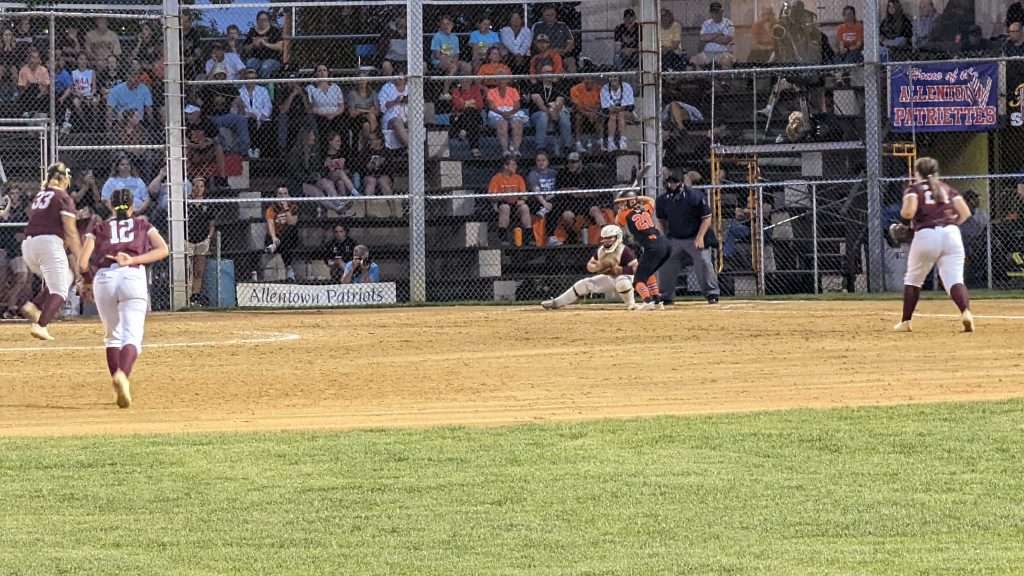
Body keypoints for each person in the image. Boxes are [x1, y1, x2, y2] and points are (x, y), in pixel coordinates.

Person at [79, 188, 168, 408]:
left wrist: (88, 281)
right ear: (132, 206)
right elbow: (163, 249)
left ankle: (117, 381)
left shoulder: (99, 227)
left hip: (104, 278)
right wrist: (134, 260)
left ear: (110, 205)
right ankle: (123, 376)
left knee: (112, 337)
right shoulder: (142, 224)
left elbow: (82, 263)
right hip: (132, 276)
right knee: (132, 336)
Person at [892, 157, 974, 333]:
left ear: (917, 173)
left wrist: (906, 224)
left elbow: (908, 212)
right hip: (952, 234)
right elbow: (965, 213)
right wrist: (949, 226)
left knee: (913, 279)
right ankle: (965, 312)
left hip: (926, 234)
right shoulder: (946, 188)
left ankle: (906, 322)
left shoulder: (914, 189)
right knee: (955, 279)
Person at [19, 162, 83, 341]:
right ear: (63, 178)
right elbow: (70, 232)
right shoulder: (63, 197)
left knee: (66, 277)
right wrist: (80, 258)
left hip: (28, 246)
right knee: (61, 290)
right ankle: (41, 325)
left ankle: (34, 305)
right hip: (48, 244)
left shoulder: (40, 195)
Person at [656, 172, 719, 305]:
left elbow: (706, 218)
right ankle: (665, 295)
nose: (672, 185)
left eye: (675, 182)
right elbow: (661, 220)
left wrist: (700, 237)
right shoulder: (662, 199)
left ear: (682, 182)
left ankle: (711, 293)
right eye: (670, 182)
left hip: (694, 235)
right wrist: (664, 237)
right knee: (666, 261)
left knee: (703, 260)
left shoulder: (694, 196)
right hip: (675, 237)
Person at [541, 225, 638, 310]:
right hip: (610, 278)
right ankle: (556, 303)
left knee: (622, 282)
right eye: (605, 238)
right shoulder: (601, 250)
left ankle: (631, 304)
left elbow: (635, 268)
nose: (607, 240)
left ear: (618, 237)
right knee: (584, 284)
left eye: (610, 238)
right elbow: (590, 265)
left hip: (626, 278)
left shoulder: (624, 250)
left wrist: (620, 270)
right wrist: (595, 267)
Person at [614, 189, 669, 310]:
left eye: (624, 202)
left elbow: (617, 222)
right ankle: (657, 301)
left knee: (638, 279)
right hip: (664, 244)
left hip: (652, 247)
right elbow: (651, 200)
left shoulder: (625, 214)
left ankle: (647, 301)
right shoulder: (645, 208)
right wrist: (638, 199)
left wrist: (621, 210)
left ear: (630, 202)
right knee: (648, 273)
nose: (621, 205)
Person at [184, 176, 215, 306]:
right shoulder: (187, 202)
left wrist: (209, 236)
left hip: (202, 239)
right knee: (187, 269)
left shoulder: (207, 203)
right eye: (196, 186)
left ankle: (195, 297)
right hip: (188, 239)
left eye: (201, 186)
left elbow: (211, 223)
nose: (198, 189)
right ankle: (186, 295)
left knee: (198, 271)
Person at [529, 64, 571, 157]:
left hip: (555, 112)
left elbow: (559, 102)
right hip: (538, 114)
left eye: (551, 72)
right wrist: (551, 111)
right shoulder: (536, 86)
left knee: (564, 116)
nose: (550, 74)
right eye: (547, 72)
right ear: (541, 74)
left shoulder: (558, 86)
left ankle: (568, 147)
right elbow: (540, 105)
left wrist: (554, 110)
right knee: (543, 116)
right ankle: (540, 148)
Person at [488, 157, 531, 246]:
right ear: (505, 166)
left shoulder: (519, 178)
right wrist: (503, 197)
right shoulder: (497, 178)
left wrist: (522, 200)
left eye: (516, 164)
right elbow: (491, 196)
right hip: (502, 203)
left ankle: (528, 238)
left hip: (516, 204)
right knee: (505, 207)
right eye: (513, 165)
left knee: (525, 208)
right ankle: (503, 238)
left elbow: (524, 194)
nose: (516, 167)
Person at [264, 186, 299, 283]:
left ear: (289, 195)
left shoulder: (293, 207)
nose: (283, 196)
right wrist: (274, 237)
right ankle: (289, 269)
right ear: (276, 196)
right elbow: (270, 224)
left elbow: (292, 222)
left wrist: (286, 208)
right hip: (274, 237)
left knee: (289, 229)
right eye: (280, 194)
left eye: (285, 194)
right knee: (283, 243)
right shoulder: (271, 208)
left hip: (289, 238)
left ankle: (274, 246)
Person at [306, 63, 346, 146]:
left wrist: (333, 114)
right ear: (316, 74)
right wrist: (324, 114)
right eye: (319, 71)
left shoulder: (335, 87)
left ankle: (343, 154)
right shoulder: (310, 88)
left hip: (335, 115)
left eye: (324, 70)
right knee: (323, 129)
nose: (322, 72)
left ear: (328, 73)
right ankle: (325, 155)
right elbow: (310, 107)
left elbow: (341, 107)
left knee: (343, 128)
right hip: (319, 116)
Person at [487, 79, 528, 158]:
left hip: (512, 111)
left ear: (507, 81)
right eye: (499, 80)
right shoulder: (491, 91)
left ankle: (516, 150)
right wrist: (502, 113)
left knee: (517, 123)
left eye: (503, 79)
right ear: (496, 81)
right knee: (502, 123)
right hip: (497, 112)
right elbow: (491, 106)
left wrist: (509, 113)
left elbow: (517, 106)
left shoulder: (513, 90)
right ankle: (505, 150)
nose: (501, 81)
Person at [238, 66, 273, 157]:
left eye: (253, 78)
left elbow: (268, 106)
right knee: (251, 122)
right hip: (246, 118)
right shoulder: (240, 92)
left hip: (262, 118)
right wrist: (252, 115)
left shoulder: (263, 90)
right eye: (249, 78)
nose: (251, 80)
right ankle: (252, 149)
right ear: (244, 79)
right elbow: (240, 108)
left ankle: (257, 150)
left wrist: (258, 116)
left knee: (265, 125)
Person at [531, 4, 576, 73]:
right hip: (544, 55)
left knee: (571, 62)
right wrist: (551, 51)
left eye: (552, 15)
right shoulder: (538, 26)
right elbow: (535, 44)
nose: (550, 17)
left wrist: (564, 51)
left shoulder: (562, 25)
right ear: (543, 15)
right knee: (546, 64)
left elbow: (571, 42)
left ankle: (570, 82)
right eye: (547, 15)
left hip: (562, 54)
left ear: (556, 14)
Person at [691, 2, 735, 69]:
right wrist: (718, 34)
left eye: (717, 12)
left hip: (723, 53)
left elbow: (726, 40)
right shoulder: (706, 23)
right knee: (694, 60)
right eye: (713, 12)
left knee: (726, 60)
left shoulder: (728, 23)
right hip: (707, 53)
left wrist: (709, 39)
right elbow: (702, 38)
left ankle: (724, 79)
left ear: (722, 11)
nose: (715, 14)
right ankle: (701, 79)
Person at [243, 11, 284, 79]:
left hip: (273, 59)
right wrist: (253, 44)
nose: (262, 22)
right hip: (256, 58)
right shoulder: (252, 31)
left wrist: (266, 44)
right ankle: (253, 86)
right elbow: (245, 48)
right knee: (250, 64)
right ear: (257, 21)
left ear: (268, 20)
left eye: (265, 19)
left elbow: (280, 47)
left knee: (265, 67)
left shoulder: (274, 30)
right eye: (260, 20)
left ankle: (263, 87)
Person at [451, 79, 485, 158]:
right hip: (460, 118)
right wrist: (472, 102)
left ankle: (464, 130)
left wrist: (465, 103)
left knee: (471, 113)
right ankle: (475, 148)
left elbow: (480, 105)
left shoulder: (475, 90)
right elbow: (457, 105)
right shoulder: (456, 91)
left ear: (470, 82)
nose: (465, 83)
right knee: (471, 118)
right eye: (462, 81)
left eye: (467, 81)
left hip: (474, 117)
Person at [348, 69, 380, 152]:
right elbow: (352, 113)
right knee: (366, 123)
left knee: (371, 116)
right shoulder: (353, 94)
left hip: (370, 118)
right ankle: (372, 142)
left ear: (367, 80)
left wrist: (360, 109)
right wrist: (368, 110)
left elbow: (377, 112)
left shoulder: (373, 93)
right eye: (359, 79)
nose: (362, 81)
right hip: (357, 119)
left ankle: (370, 143)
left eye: (364, 79)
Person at [431, 15, 463, 96]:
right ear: (440, 25)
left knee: (467, 67)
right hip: (439, 61)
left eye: (448, 24)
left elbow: (456, 55)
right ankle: (445, 92)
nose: (446, 26)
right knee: (453, 67)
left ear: (452, 25)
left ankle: (462, 90)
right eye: (444, 24)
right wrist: (448, 59)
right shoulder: (437, 36)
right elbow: (436, 55)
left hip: (452, 60)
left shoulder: (455, 38)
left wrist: (454, 61)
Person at [600, 76, 635, 151]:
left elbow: (630, 107)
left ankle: (622, 141)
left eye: (615, 76)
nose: (613, 79)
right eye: (611, 77)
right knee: (613, 116)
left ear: (619, 77)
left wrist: (618, 109)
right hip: (612, 114)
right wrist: (618, 108)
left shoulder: (626, 86)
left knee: (621, 114)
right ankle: (610, 142)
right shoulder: (604, 88)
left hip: (627, 113)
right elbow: (605, 109)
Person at [570, 76, 603, 153]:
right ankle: (578, 143)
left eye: (591, 78)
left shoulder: (599, 88)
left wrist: (594, 112)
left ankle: (601, 142)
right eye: (587, 78)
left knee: (600, 116)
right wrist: (587, 114)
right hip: (581, 111)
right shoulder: (575, 89)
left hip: (594, 110)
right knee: (578, 117)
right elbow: (577, 106)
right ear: (583, 79)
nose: (589, 81)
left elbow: (600, 104)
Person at [378, 71, 409, 149]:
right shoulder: (387, 87)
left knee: (414, 122)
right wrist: (395, 102)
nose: (400, 79)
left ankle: (415, 148)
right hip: (391, 119)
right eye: (398, 77)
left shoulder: (410, 87)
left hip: (408, 116)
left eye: (402, 78)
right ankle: (411, 148)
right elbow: (382, 107)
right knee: (397, 121)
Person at [17, 47, 50, 115]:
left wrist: (39, 94)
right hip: (28, 96)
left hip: (41, 96)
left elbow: (46, 88)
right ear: (28, 59)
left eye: (36, 58)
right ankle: (27, 113)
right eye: (32, 57)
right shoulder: (23, 70)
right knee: (32, 87)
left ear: (39, 59)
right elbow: (21, 89)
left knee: (38, 89)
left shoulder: (43, 70)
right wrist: (29, 86)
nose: (34, 60)